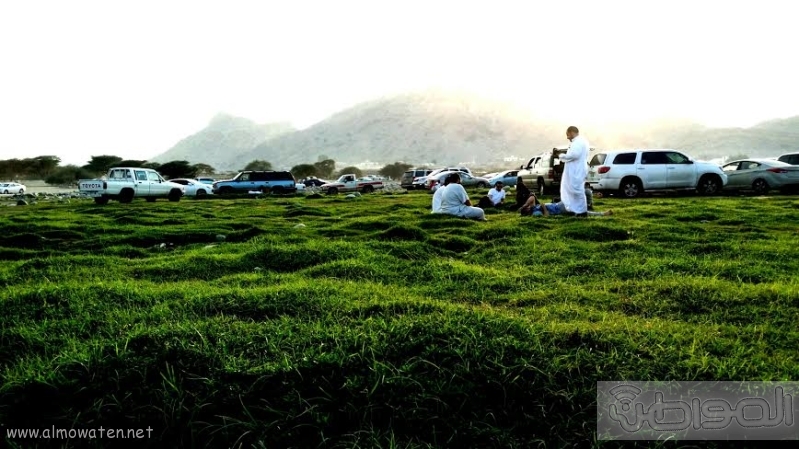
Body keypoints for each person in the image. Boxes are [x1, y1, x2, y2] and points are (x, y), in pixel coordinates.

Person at [559, 126, 590, 217]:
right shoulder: (579, 141)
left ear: (572, 132)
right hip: (576, 169)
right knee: (574, 190)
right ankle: (577, 210)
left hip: (577, 170)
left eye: (568, 134)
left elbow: (575, 154)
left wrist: (561, 156)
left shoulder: (578, 142)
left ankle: (582, 211)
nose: (567, 137)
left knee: (577, 190)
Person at [518, 193, 611, 217]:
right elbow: (546, 216)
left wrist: (524, 205)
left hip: (559, 205)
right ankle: (602, 213)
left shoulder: (533, 208)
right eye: (527, 208)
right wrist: (543, 207)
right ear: (527, 212)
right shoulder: (535, 214)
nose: (529, 206)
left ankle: (600, 212)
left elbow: (532, 197)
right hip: (560, 208)